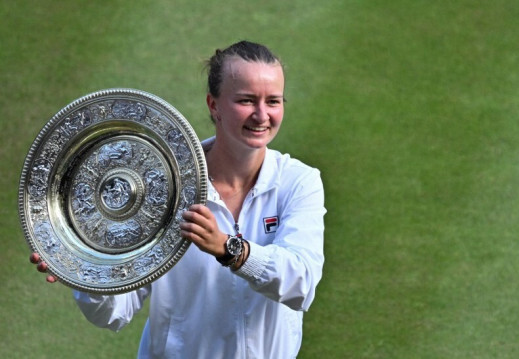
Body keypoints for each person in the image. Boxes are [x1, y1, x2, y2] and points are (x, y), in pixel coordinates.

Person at [29, 40, 326, 358]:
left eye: (274, 101)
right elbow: (115, 313)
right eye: (246, 100)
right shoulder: (161, 188)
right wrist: (84, 270)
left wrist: (229, 249)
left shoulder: (298, 182)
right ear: (214, 105)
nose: (262, 114)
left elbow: (301, 284)